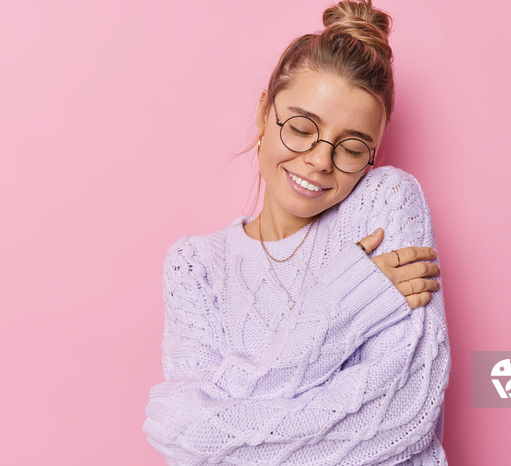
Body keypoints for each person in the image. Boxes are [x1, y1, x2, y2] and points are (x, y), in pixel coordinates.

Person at [143, 0, 451, 464]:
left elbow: (406, 413)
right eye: (303, 127)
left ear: (374, 150)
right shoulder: (195, 266)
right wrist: (344, 303)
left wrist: (217, 425)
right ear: (266, 111)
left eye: (351, 147)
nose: (320, 161)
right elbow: (190, 443)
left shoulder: (384, 202)